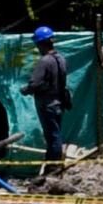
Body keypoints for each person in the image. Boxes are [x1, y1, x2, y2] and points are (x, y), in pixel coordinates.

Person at [22, 27, 75, 164]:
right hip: (59, 103)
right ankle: (52, 164)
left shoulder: (45, 61)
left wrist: (25, 90)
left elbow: (35, 83)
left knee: (52, 136)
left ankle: (53, 166)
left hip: (47, 104)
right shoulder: (61, 59)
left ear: (40, 44)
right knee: (55, 134)